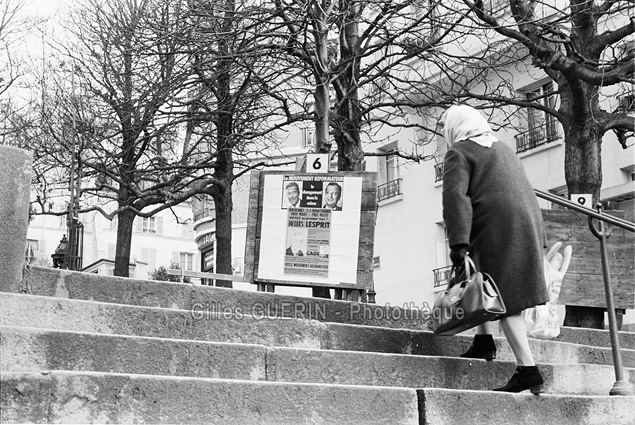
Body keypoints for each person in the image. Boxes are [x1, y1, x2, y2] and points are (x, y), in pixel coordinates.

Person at [441, 104, 549, 394]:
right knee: (486, 284)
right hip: (525, 224)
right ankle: (484, 341)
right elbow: (523, 189)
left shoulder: (459, 153)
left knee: (504, 298)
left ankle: (528, 370)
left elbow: (456, 199)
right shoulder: (503, 148)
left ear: (454, 127)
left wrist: (458, 245)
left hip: (496, 228)